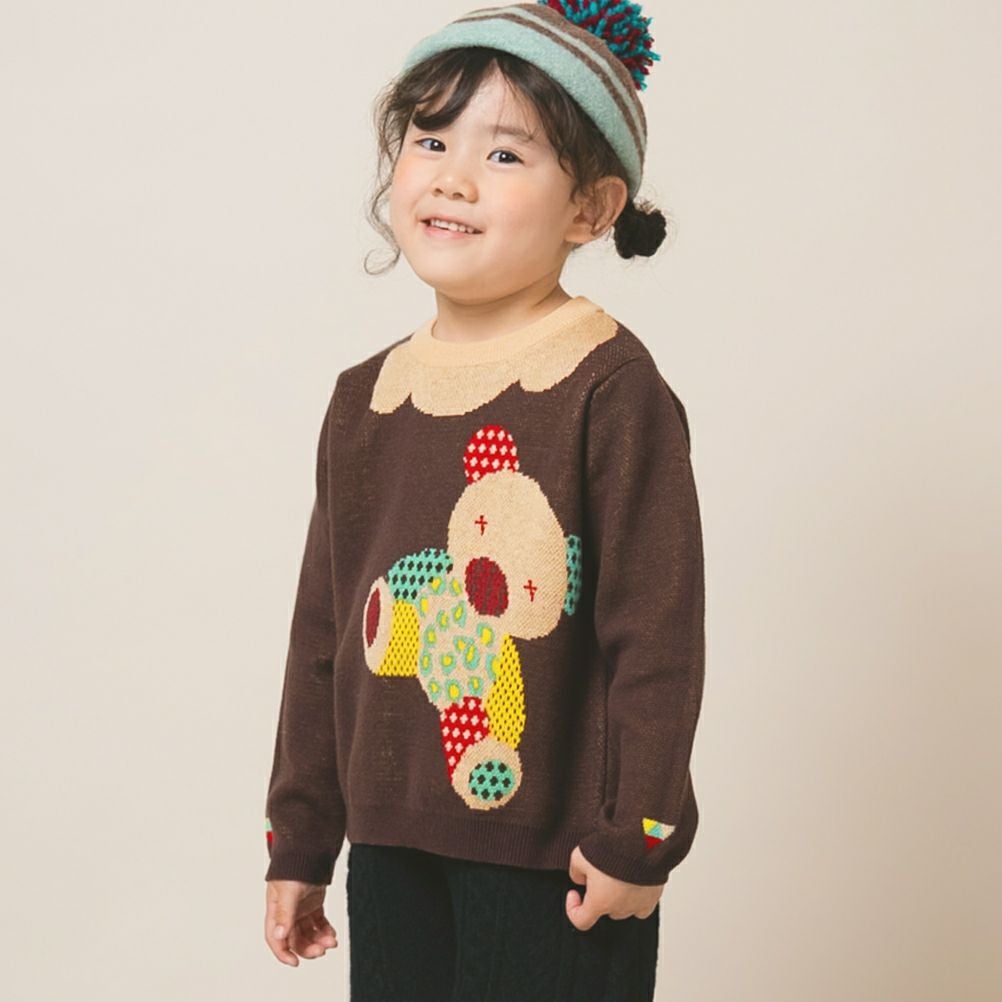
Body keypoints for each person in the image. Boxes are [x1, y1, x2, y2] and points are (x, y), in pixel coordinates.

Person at [262, 2, 706, 998]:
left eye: (505, 154)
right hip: (391, 848)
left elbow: (658, 637)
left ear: (590, 209)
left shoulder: (609, 387)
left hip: (559, 858)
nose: (453, 177)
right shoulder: (365, 398)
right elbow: (324, 632)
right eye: (431, 140)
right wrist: (301, 836)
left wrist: (641, 833)